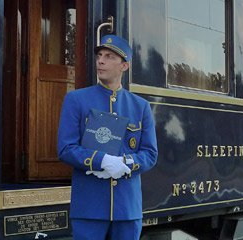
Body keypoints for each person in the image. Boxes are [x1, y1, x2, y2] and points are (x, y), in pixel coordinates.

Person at [57, 34, 158, 240]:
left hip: (127, 209)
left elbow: (149, 153)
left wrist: (126, 163)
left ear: (124, 66)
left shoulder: (140, 107)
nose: (101, 60)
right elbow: (66, 148)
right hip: (90, 208)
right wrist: (101, 160)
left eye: (110, 56)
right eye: (100, 55)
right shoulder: (76, 100)